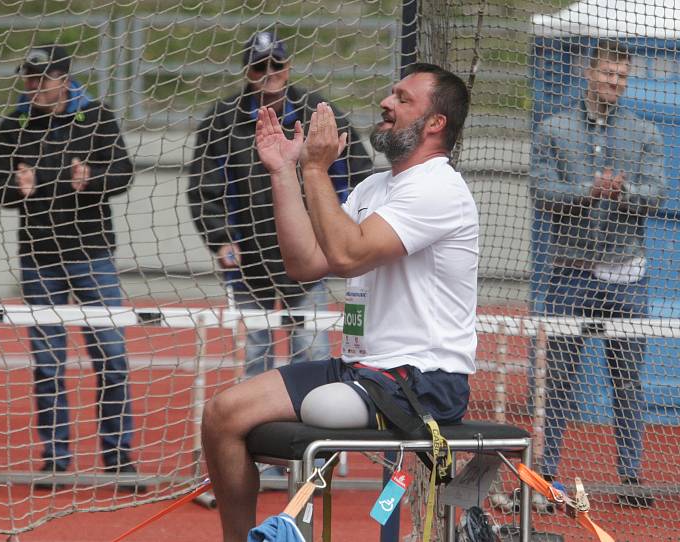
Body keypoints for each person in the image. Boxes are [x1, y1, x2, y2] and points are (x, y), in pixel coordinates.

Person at [202, 63, 476, 541]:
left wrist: (314, 167)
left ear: (436, 123)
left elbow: (348, 254)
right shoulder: (374, 187)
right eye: (390, 94)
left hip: (423, 377)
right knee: (223, 413)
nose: (386, 104)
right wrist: (285, 171)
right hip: (361, 368)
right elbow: (305, 262)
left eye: (403, 99)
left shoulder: (439, 186)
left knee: (326, 409)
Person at [188, 32, 373, 379]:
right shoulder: (221, 121)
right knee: (257, 353)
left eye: (276, 64)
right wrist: (221, 238)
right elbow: (203, 188)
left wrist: (340, 230)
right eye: (259, 67)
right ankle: (257, 428)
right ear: (247, 71)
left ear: (288, 67)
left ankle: (308, 426)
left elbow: (357, 174)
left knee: (312, 350)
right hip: (249, 261)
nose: (269, 73)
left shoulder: (319, 112)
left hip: (310, 256)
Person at [0, 45, 135, 479]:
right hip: (38, 258)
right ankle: (55, 457)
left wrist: (92, 183)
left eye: (42, 78)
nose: (34, 86)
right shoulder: (14, 124)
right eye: (29, 78)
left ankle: (118, 455)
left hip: (92, 254)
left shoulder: (97, 116)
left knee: (111, 356)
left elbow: (124, 173)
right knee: (48, 363)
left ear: (64, 77)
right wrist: (18, 189)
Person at [531, 40, 665, 508]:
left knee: (628, 381)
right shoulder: (553, 127)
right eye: (608, 74)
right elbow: (543, 192)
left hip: (628, 276)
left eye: (622, 77)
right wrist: (588, 191)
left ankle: (630, 479)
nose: (615, 83)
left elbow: (657, 195)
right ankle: (547, 477)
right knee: (561, 381)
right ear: (589, 73)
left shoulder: (645, 133)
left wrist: (622, 190)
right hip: (571, 273)